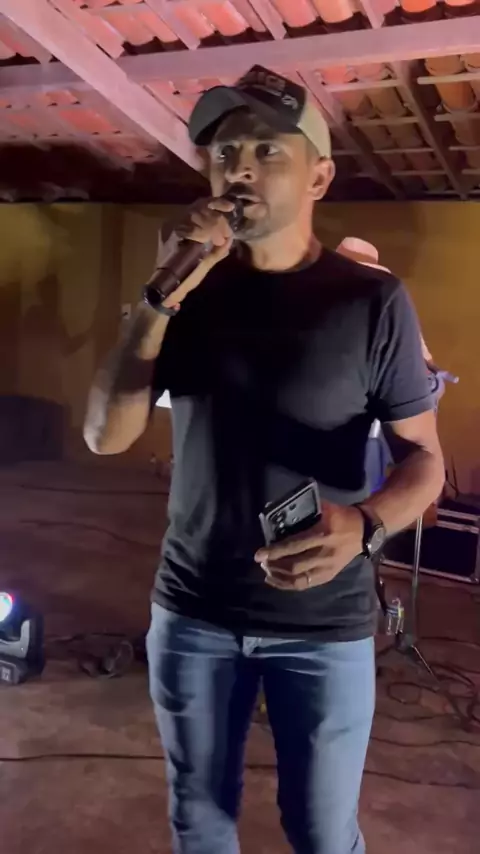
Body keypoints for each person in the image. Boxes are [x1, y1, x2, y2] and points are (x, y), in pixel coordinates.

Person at [84, 66, 445, 854]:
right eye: (223, 154)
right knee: (199, 820)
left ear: (319, 177)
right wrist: (159, 296)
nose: (238, 169)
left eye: (265, 151)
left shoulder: (372, 302)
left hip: (324, 625)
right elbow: (104, 436)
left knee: (320, 832)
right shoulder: (187, 295)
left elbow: (424, 460)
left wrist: (366, 525)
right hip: (193, 611)